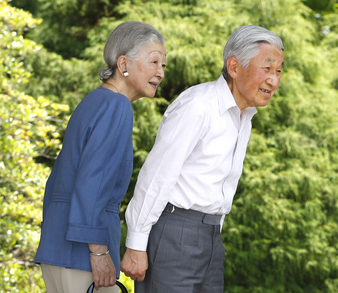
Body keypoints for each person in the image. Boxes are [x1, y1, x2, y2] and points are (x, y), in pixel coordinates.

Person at [120, 25, 284, 293]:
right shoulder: (198, 105)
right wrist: (136, 244)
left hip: (211, 237)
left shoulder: (244, 117)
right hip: (175, 233)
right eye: (266, 69)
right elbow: (157, 175)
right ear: (234, 67)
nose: (274, 81)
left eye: (278, 71)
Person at [34, 21, 166, 293]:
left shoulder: (93, 101)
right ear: (123, 64)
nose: (160, 72)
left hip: (57, 249)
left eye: (163, 65)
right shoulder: (117, 106)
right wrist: (98, 252)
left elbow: (58, 181)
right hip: (83, 255)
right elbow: (92, 183)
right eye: (154, 62)